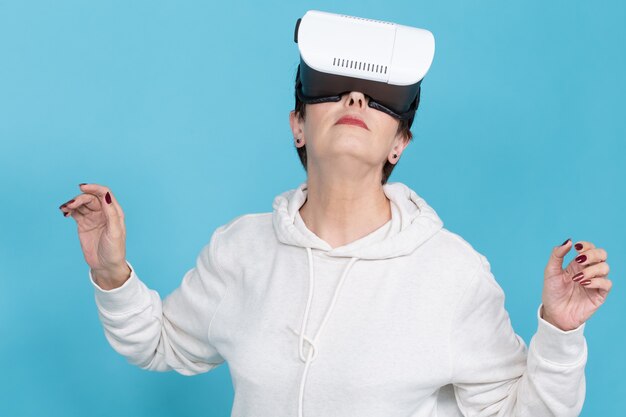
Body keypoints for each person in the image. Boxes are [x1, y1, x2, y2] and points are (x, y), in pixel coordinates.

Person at [59, 33, 612, 417]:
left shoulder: (452, 272)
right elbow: (162, 344)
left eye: (379, 99)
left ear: (400, 142)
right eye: (333, 90)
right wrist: (111, 273)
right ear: (298, 125)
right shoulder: (241, 249)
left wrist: (562, 334)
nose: (354, 98)